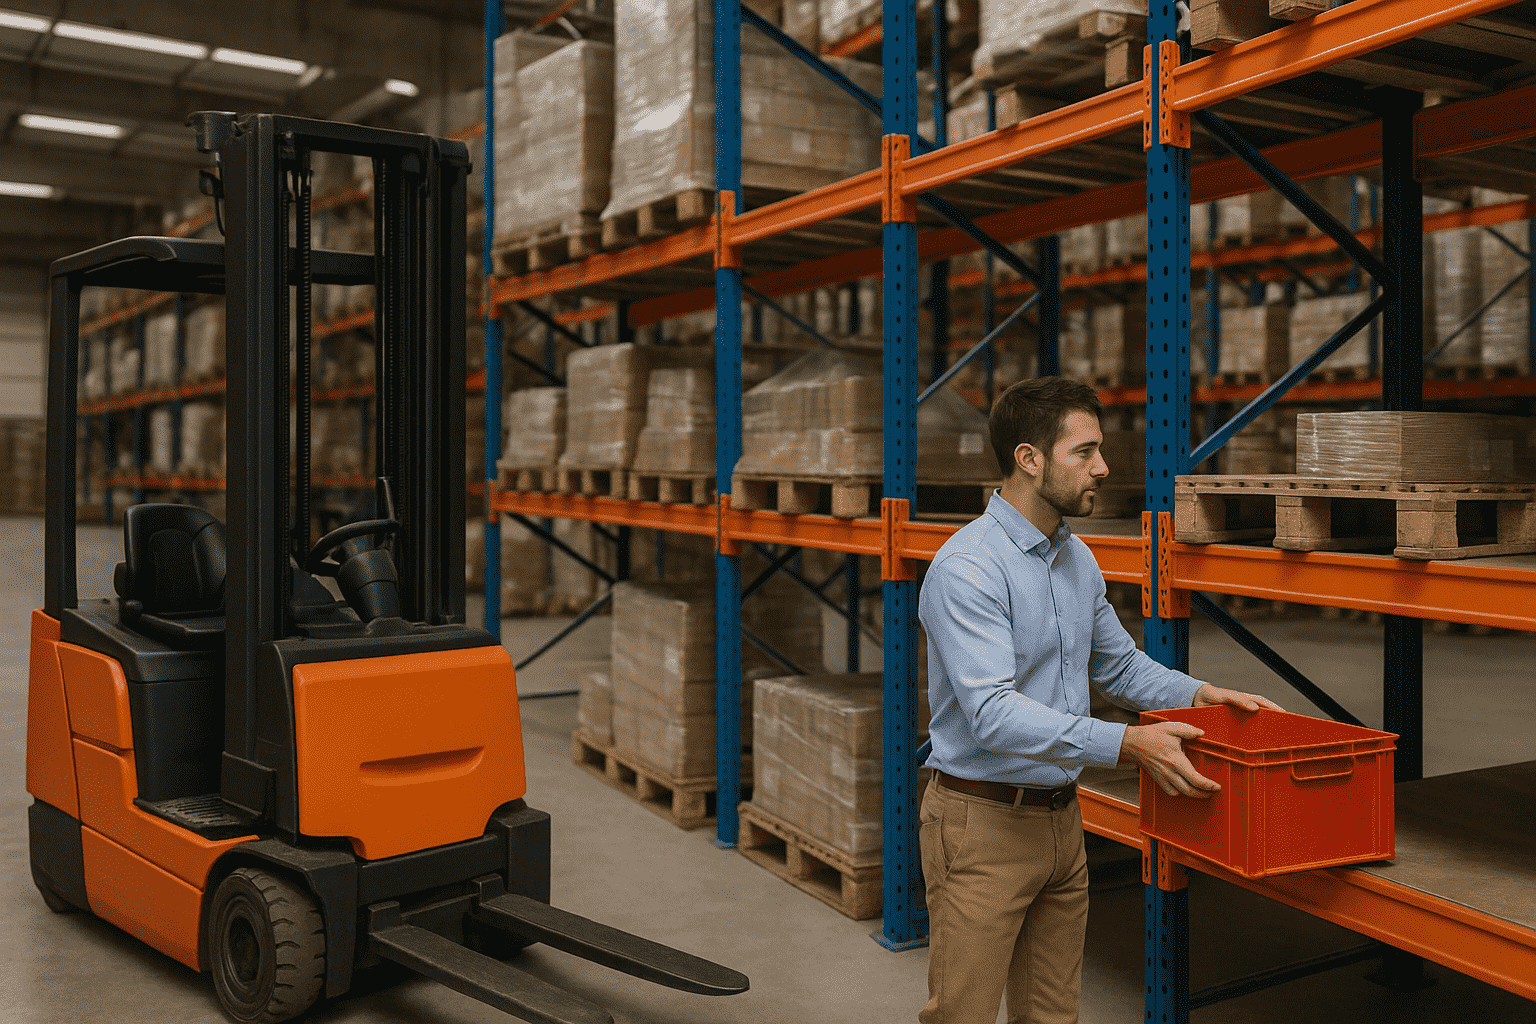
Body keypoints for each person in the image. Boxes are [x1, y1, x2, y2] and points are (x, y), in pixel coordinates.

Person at [917, 377, 1280, 1024]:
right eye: (1084, 452)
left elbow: (1120, 669)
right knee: (962, 1015)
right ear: (1029, 458)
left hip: (1062, 819)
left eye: (1100, 450)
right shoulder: (968, 568)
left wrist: (1202, 695)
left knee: (1054, 1016)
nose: (1103, 467)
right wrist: (1127, 743)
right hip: (982, 824)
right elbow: (992, 713)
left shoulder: (1077, 558)